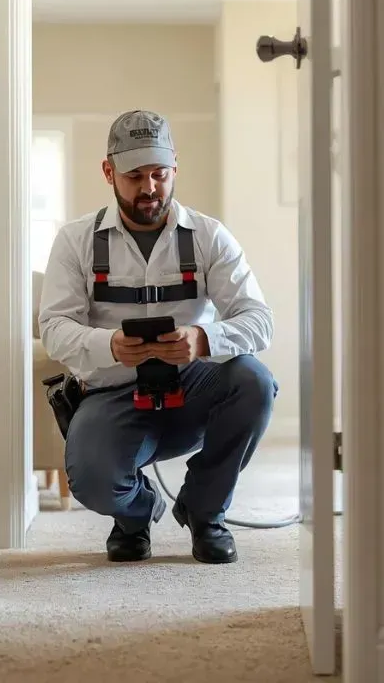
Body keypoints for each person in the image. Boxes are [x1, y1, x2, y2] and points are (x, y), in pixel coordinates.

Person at [38, 109, 277, 565]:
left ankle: (205, 512)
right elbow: (54, 328)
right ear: (108, 172)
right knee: (92, 478)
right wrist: (107, 345)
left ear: (174, 169)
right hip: (113, 396)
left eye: (159, 174)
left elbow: (259, 320)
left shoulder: (210, 236)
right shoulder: (75, 242)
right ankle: (136, 515)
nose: (149, 188)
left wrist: (203, 339)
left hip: (194, 390)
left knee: (255, 382)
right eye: (134, 176)